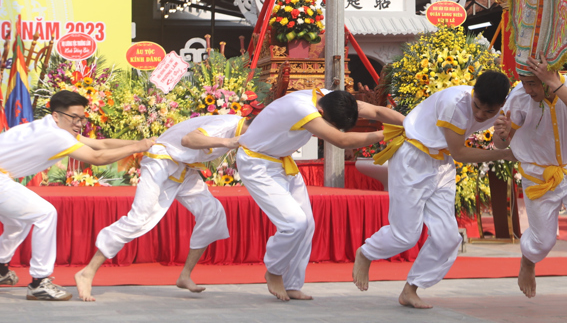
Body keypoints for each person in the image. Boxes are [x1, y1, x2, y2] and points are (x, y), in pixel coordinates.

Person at [352, 70, 514, 309]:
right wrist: (503, 154)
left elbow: (499, 142)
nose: (480, 115)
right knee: (405, 236)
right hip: (413, 158)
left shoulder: (504, 109)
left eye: (488, 112)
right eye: (477, 106)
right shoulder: (455, 103)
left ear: (501, 104)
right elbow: (461, 152)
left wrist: (503, 136)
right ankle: (366, 253)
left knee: (448, 238)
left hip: (442, 164)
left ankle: (411, 289)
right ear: (473, 93)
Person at [238, 87, 401, 302]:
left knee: (308, 224)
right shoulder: (302, 109)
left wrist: (411, 125)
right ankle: (274, 271)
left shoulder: (332, 98)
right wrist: (389, 133)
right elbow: (341, 141)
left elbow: (378, 112)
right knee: (294, 223)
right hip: (257, 163)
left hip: (282, 162)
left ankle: (292, 284)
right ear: (323, 116)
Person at [75, 111, 251, 301]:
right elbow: (189, 139)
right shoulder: (226, 124)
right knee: (139, 219)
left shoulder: (243, 131)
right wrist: (229, 142)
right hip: (161, 162)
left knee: (212, 212)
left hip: (183, 167)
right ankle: (87, 272)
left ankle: (185, 275)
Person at [0, 90, 155, 301]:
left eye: (82, 118)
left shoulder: (49, 126)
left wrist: (143, 144)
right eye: (74, 117)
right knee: (45, 213)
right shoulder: (55, 135)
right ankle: (39, 282)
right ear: (57, 115)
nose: (79, 123)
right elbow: (97, 157)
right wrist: (138, 147)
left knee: (19, 222)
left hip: (3, 178)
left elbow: (100, 144)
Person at [493, 55, 567, 317]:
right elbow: (502, 144)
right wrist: (501, 136)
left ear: (551, 75)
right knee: (543, 241)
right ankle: (528, 261)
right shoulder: (519, 96)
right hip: (538, 175)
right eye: (525, 83)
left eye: (534, 83)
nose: (529, 89)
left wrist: (554, 84)